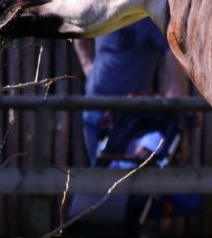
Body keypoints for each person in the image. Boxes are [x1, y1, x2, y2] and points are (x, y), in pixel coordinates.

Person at [74, 18, 187, 165]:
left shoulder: (148, 21)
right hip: (94, 107)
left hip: (131, 116)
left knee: (125, 172)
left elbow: (171, 51)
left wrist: (174, 87)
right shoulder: (104, 13)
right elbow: (77, 30)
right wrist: (86, 65)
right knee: (98, 170)